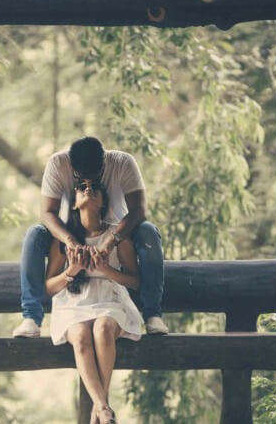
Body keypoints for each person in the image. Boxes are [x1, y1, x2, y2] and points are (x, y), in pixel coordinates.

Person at [13, 136, 168, 338]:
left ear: (104, 161)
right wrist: (70, 241)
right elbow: (47, 213)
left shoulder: (123, 162)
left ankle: (152, 314)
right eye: (81, 180)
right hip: (72, 233)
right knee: (35, 233)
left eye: (95, 179)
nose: (89, 184)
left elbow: (138, 210)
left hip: (120, 234)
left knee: (148, 231)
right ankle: (31, 318)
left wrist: (112, 240)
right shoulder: (58, 164)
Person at [45, 179, 141, 424]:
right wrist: (73, 270)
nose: (87, 189)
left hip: (110, 300)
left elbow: (135, 282)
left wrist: (107, 271)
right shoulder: (64, 240)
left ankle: (99, 408)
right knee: (79, 335)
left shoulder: (117, 238)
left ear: (102, 203)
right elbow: (48, 288)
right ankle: (102, 407)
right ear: (75, 204)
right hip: (73, 303)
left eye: (94, 188)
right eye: (80, 187)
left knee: (103, 328)